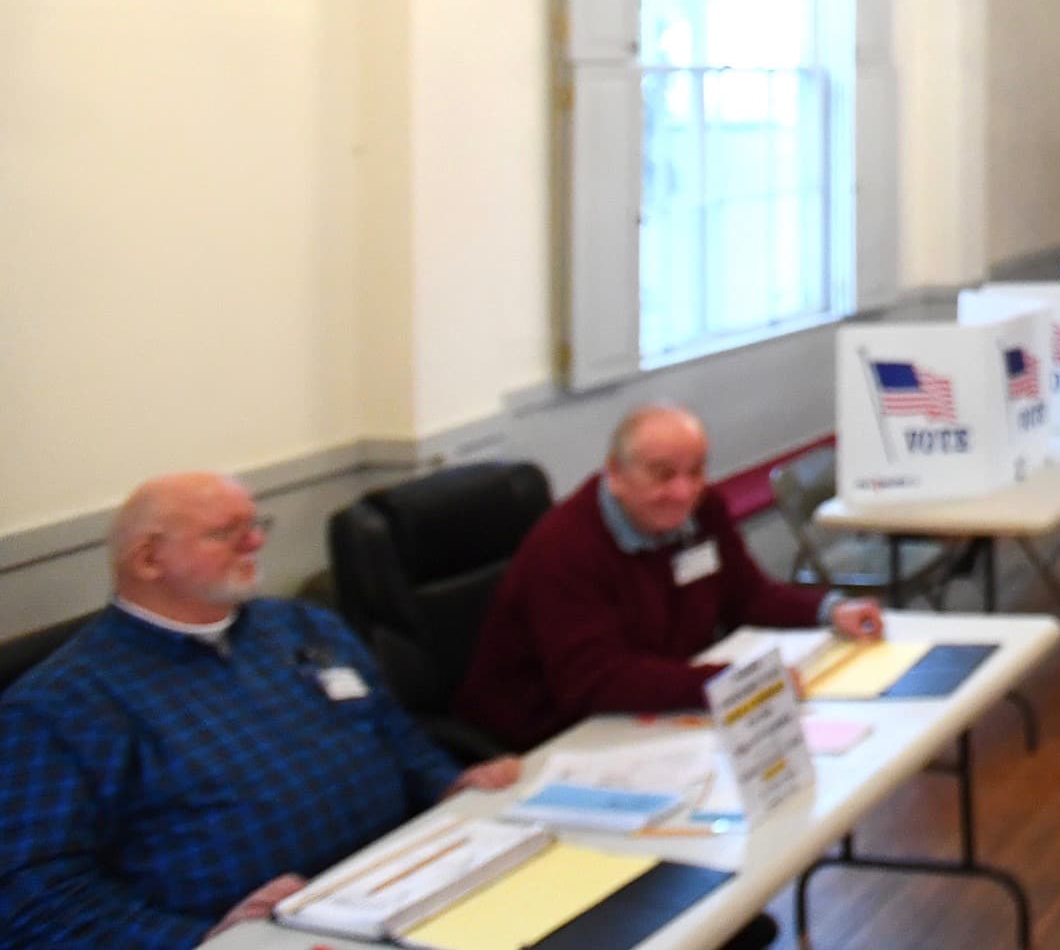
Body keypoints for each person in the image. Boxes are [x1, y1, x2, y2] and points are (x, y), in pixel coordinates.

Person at [0, 472, 521, 949]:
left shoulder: (303, 627)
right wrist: (205, 938)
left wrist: (450, 785)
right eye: (226, 532)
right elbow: (36, 900)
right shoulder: (62, 706)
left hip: (398, 892)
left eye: (255, 525)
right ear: (147, 560)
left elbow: (395, 736)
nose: (256, 542)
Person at [454, 403, 883, 752]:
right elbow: (598, 680)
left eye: (696, 471)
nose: (683, 491)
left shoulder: (702, 510)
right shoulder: (565, 548)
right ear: (616, 475)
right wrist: (734, 684)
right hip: (550, 738)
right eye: (662, 475)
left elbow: (747, 595)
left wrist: (830, 609)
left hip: (654, 711)